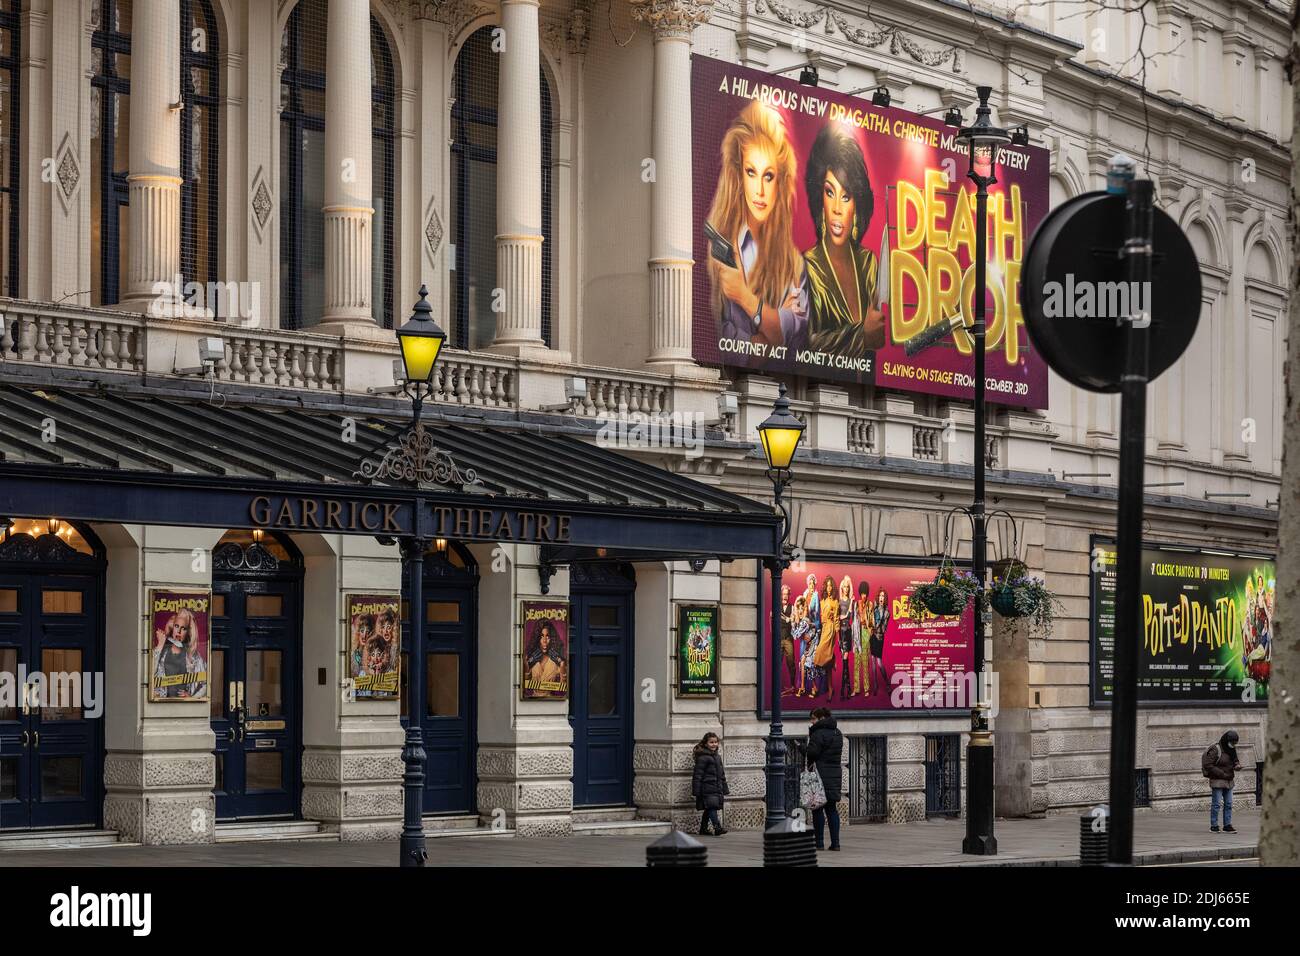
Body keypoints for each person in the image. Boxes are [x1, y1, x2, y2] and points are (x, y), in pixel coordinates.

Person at [706, 100, 809, 360]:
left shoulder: (794, 264)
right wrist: (774, 324)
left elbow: (791, 340)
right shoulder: (723, 250)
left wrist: (745, 297)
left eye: (769, 175)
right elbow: (731, 346)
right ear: (739, 177)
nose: (760, 191)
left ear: (781, 182)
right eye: (751, 172)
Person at [802, 124, 885, 356]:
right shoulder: (807, 267)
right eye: (830, 193)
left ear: (856, 204)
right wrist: (862, 335)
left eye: (846, 197)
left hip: (867, 386)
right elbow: (802, 344)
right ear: (821, 199)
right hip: (811, 388)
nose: (837, 208)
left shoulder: (868, 262)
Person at [806, 707, 844, 850]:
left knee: (817, 810)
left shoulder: (818, 734)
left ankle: (819, 843)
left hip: (819, 775)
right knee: (831, 809)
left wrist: (802, 747)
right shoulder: (837, 733)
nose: (811, 721)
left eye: (813, 718)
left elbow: (812, 753)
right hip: (834, 775)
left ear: (821, 718)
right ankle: (836, 843)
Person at [1202, 730, 1241, 833]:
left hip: (1229, 780)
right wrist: (1222, 774)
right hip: (1218, 780)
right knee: (1217, 804)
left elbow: (1235, 759)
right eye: (1232, 742)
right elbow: (1208, 765)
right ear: (1226, 740)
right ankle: (1214, 825)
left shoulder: (1232, 749)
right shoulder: (1216, 749)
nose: (1233, 745)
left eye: (1234, 743)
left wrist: (1237, 765)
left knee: (1229, 803)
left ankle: (1227, 825)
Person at [691, 732, 730, 836]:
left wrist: (724, 787)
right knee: (712, 807)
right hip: (706, 787)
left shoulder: (717, 757)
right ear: (705, 743)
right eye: (711, 742)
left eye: (716, 742)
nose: (714, 744)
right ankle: (717, 827)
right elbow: (697, 775)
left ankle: (703, 829)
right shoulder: (703, 758)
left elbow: (721, 774)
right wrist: (696, 790)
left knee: (709, 808)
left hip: (716, 787)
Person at [814, 575, 839, 700]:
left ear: (833, 587)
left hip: (831, 630)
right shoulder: (822, 601)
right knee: (827, 662)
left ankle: (832, 659)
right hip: (823, 630)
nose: (829, 588)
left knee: (819, 654)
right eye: (827, 585)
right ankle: (830, 688)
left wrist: (837, 636)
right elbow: (819, 618)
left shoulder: (835, 602)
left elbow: (836, 620)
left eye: (831, 585)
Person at [526, 621, 567, 693]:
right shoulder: (531, 658)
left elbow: (563, 690)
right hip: (532, 701)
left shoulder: (556, 660)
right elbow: (525, 689)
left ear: (552, 639)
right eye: (541, 636)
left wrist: (562, 666)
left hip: (551, 702)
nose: (544, 640)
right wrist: (528, 664)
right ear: (537, 638)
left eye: (547, 637)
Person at [869, 587, 890, 696]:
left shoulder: (887, 612)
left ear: (885, 598)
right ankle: (875, 685)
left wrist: (877, 625)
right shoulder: (875, 608)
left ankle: (887, 683)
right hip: (873, 637)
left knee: (879, 663)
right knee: (872, 661)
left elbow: (884, 629)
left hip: (880, 638)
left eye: (883, 596)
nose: (881, 598)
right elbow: (871, 622)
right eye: (880, 596)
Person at [852, 581, 872, 697]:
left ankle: (866, 688)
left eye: (865, 593)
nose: (864, 595)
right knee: (856, 662)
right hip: (857, 634)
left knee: (865, 662)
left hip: (865, 633)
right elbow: (854, 620)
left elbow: (871, 621)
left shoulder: (870, 604)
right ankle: (856, 688)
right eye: (862, 593)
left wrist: (869, 631)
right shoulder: (856, 604)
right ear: (860, 593)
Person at [837, 576, 855, 700]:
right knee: (844, 660)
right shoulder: (839, 602)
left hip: (848, 631)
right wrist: (845, 614)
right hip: (841, 632)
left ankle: (845, 687)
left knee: (846, 660)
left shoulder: (850, 601)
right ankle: (846, 686)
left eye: (848, 587)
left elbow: (851, 617)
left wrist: (851, 605)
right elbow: (839, 617)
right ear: (841, 588)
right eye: (844, 587)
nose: (846, 589)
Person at [792, 595, 812, 696]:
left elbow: (795, 635)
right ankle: (804, 687)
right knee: (802, 665)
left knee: (803, 664)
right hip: (803, 645)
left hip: (808, 647)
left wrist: (793, 621)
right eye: (798, 608)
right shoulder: (801, 621)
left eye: (802, 608)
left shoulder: (805, 621)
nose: (800, 611)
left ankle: (803, 687)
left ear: (805, 609)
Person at [779, 584, 798, 693]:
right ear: (781, 595)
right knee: (778, 664)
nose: (785, 596)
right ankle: (779, 687)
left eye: (787, 594)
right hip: (779, 639)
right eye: (783, 594)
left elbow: (795, 620)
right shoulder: (777, 607)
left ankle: (792, 686)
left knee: (791, 663)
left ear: (789, 595)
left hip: (788, 639)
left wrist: (791, 619)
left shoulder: (793, 608)